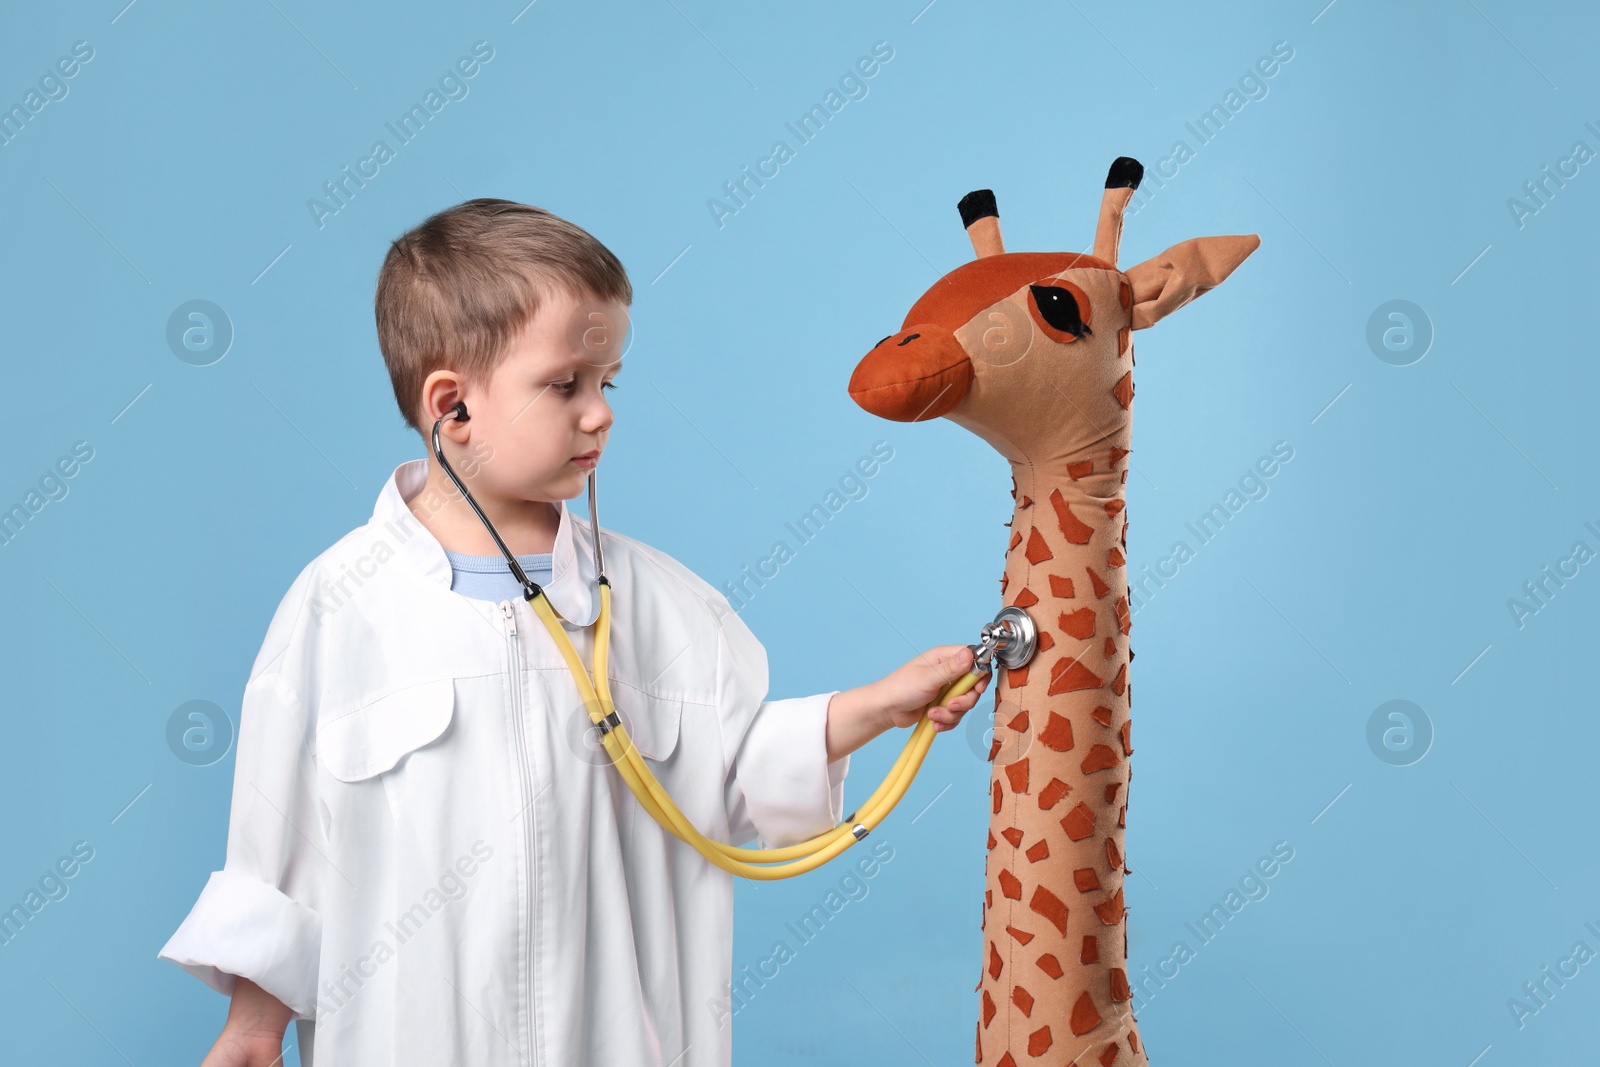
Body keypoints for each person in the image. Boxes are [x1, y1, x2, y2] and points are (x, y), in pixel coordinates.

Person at [157, 199, 989, 1066]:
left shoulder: (666, 606)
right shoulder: (339, 608)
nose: (602, 413)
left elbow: (733, 782)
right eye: (566, 385)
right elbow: (280, 846)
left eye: (608, 383)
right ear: (454, 407)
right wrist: (254, 1027)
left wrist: (874, 708)